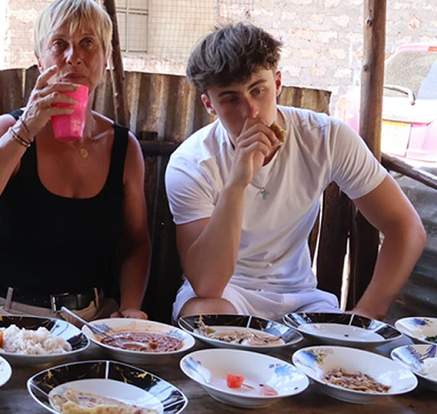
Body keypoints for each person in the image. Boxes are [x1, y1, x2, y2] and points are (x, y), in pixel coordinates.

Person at [166, 22, 425, 321]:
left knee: (335, 354)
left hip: (300, 298)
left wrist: (367, 312)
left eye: (258, 90)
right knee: (207, 319)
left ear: (277, 84)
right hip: (226, 293)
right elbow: (208, 285)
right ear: (209, 104)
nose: (251, 111)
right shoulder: (191, 163)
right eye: (231, 98)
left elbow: (406, 227)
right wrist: (237, 183)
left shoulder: (325, 137)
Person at [0, 0, 151, 322]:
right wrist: (26, 128)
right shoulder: (7, 130)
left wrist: (129, 308)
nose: (74, 57)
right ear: (40, 60)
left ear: (105, 59)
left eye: (88, 43)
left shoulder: (123, 148)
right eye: (59, 44)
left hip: (89, 316)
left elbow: (135, 242)